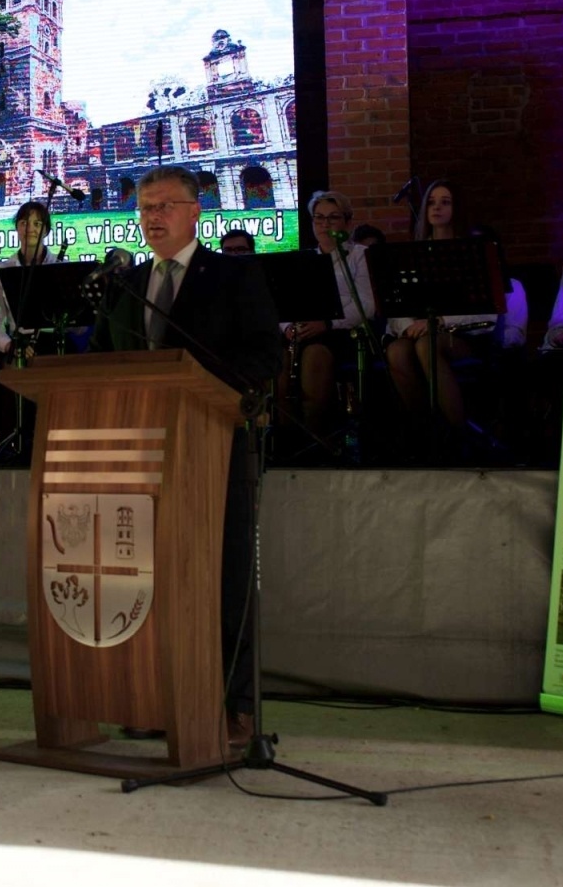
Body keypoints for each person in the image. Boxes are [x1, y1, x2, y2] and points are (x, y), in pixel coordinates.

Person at [90, 165, 283, 752]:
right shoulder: (125, 285)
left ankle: (235, 707)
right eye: (145, 207)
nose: (152, 217)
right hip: (140, 451)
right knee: (148, 577)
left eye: (165, 206)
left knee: (223, 578)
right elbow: (102, 357)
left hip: (215, 443)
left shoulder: (232, 274)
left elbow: (263, 354)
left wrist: (203, 392)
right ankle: (154, 697)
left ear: (195, 211)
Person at [385, 180, 492, 429]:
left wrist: (438, 321)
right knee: (396, 351)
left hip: (463, 336)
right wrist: (409, 326)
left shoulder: (473, 251)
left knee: (426, 346)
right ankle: (423, 429)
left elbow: (487, 311)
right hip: (421, 331)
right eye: (431, 202)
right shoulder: (412, 254)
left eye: (445, 202)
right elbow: (395, 305)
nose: (437, 208)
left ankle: (456, 432)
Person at [277, 192, 377, 436]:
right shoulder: (303, 258)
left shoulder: (359, 255)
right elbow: (283, 302)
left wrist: (328, 324)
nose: (325, 224)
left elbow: (367, 304)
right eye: (319, 218)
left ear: (346, 222)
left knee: (315, 356)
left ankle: (318, 437)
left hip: (342, 333)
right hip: (303, 332)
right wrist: (288, 327)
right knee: (277, 361)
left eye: (333, 217)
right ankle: (285, 437)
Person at [0, 200, 57, 362]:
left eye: (37, 223)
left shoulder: (60, 267)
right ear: (17, 228)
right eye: (24, 223)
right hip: (19, 345)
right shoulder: (2, 270)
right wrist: (9, 345)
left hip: (55, 345)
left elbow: (79, 327)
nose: (30, 229)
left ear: (46, 231)